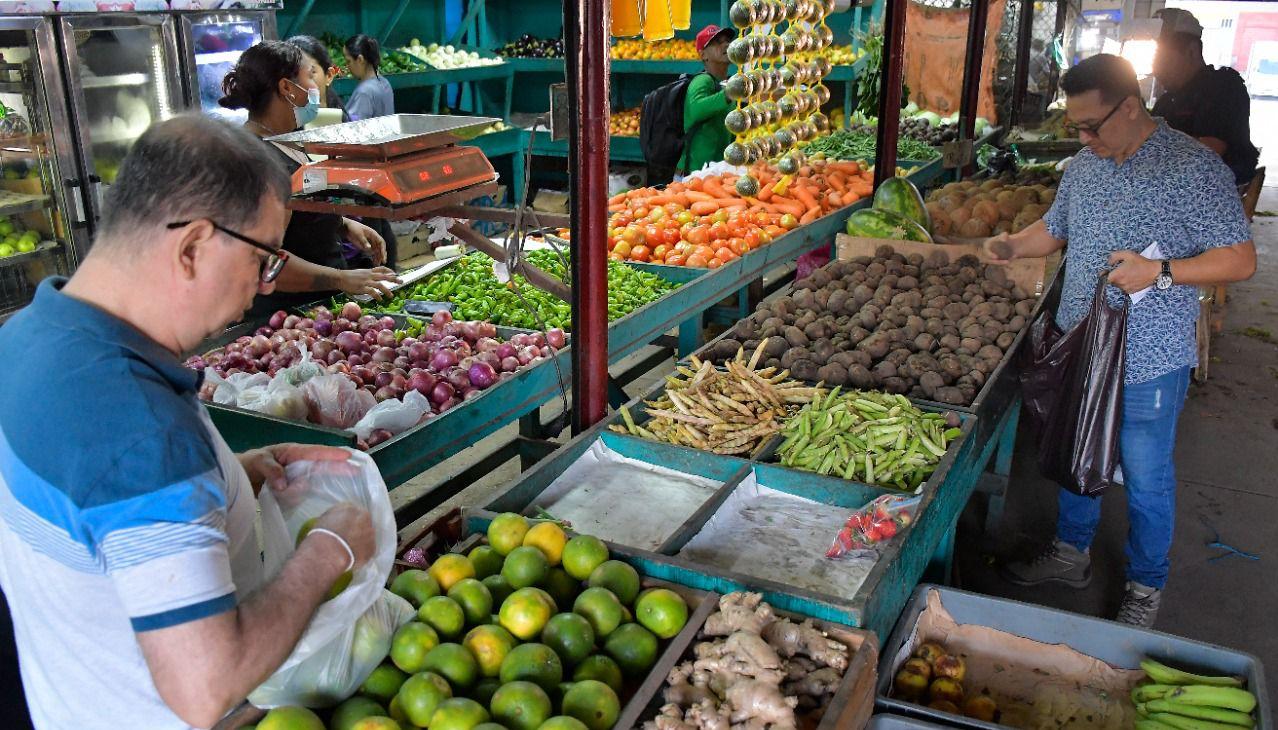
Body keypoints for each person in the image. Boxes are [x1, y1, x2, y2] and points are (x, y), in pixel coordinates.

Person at [0, 115, 377, 728]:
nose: (261, 289)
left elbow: (93, 524)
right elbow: (204, 688)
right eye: (263, 260)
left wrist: (232, 478)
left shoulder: (28, 336)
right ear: (192, 246)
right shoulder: (144, 433)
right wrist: (328, 549)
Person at [988, 54, 1255, 627]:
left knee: (1146, 476)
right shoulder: (1085, 167)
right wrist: (1010, 245)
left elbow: (1240, 259)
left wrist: (1160, 273)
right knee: (1076, 450)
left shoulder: (1193, 169)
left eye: (1093, 126)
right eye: (1076, 128)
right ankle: (1069, 552)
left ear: (1130, 107)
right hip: (1081, 344)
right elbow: (1053, 230)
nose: (1084, 138)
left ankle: (1145, 585)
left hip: (1150, 354)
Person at [219, 41, 399, 316]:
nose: (316, 86)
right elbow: (265, 263)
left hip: (318, 308)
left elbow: (294, 211)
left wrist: (340, 224)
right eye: (310, 75)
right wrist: (341, 278)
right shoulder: (260, 164)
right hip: (287, 318)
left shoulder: (283, 141)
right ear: (287, 88)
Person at [1151, 8, 1259, 190]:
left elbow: (1208, 152)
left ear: (1192, 51)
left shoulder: (1222, 87)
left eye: (1163, 58)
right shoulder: (1167, 100)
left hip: (1209, 194)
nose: (1156, 67)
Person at [682, 25, 736, 175]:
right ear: (703, 54)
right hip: (694, 172)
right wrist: (729, 94)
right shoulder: (702, 81)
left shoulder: (725, 83)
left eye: (727, 41)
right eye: (717, 42)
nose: (726, 45)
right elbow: (697, 110)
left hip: (715, 169)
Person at [287, 34, 350, 122]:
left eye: (310, 74)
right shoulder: (282, 128)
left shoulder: (343, 123)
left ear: (329, 75)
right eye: (292, 75)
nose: (299, 83)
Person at [343, 34, 394, 121]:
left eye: (348, 61)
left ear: (360, 60)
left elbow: (354, 125)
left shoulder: (364, 92)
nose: (347, 66)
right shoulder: (385, 83)